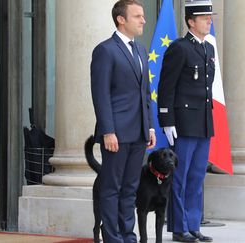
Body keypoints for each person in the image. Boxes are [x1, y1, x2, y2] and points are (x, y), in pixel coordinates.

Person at [90, 0, 156, 242]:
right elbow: (101, 94)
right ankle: (112, 238)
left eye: (143, 16)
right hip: (115, 133)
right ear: (121, 19)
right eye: (137, 16)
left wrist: (149, 125)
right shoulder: (105, 50)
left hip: (138, 132)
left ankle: (128, 236)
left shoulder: (141, 50)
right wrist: (107, 130)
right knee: (112, 188)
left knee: (130, 189)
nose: (143, 20)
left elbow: (145, 93)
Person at [157, 0, 215, 242]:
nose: (209, 21)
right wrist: (167, 120)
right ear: (191, 21)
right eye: (204, 18)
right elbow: (166, 86)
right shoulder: (179, 48)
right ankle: (179, 228)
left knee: (197, 176)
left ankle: (194, 225)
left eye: (209, 17)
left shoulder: (208, 48)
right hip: (182, 122)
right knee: (179, 177)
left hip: (202, 122)